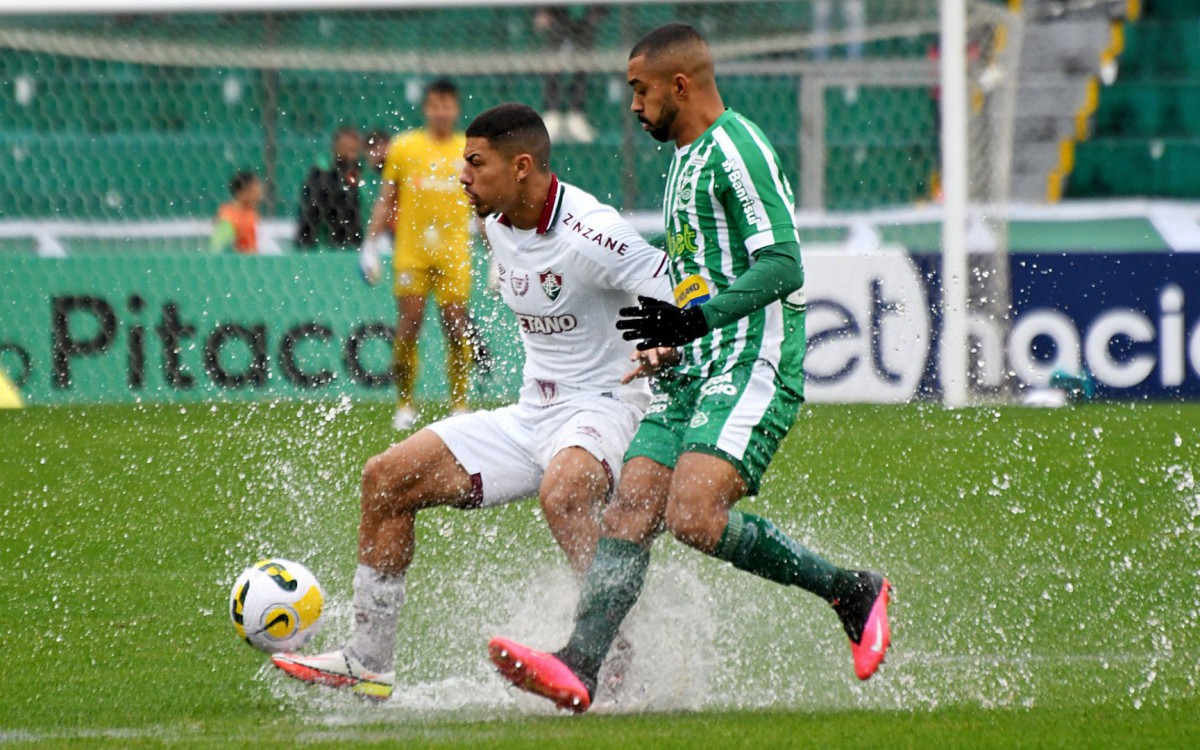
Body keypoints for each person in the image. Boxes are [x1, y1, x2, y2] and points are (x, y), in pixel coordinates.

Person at [488, 23, 893, 713]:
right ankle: (581, 664)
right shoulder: (684, 157)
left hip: (752, 358)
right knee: (629, 510)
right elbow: (702, 270)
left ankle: (852, 591)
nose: (632, 105)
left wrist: (694, 322)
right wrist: (670, 341)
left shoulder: (736, 149)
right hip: (692, 364)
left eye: (639, 89)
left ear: (679, 85)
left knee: (695, 516)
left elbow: (784, 264)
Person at [270, 102, 674, 701]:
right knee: (386, 479)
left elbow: (669, 281)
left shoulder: (592, 230)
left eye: (476, 163)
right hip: (533, 415)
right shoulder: (496, 222)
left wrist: (662, 340)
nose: (462, 175)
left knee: (563, 493)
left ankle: (606, 658)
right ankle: (367, 660)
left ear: (522, 167)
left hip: (607, 408)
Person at [357, 80, 478, 430]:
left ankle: (459, 404)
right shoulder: (404, 146)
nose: (441, 111)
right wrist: (370, 245)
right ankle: (405, 404)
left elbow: (482, 204)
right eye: (435, 104)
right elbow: (386, 199)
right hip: (412, 252)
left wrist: (497, 254)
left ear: (456, 108)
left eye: (447, 104)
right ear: (426, 108)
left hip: (454, 253)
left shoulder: (469, 150)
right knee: (409, 326)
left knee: (456, 326)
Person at [534, 5, 606, 143]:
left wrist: (597, 11)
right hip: (558, 11)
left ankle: (576, 114)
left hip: (585, 11)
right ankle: (552, 114)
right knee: (554, 59)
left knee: (583, 59)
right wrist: (543, 9)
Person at [295, 126, 364, 250]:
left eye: (355, 151)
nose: (351, 156)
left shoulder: (362, 170)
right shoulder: (321, 172)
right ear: (335, 148)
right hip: (326, 239)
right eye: (347, 150)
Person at [209, 170, 263, 254]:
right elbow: (217, 249)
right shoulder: (227, 217)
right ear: (241, 193)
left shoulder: (252, 214)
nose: (259, 197)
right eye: (254, 192)